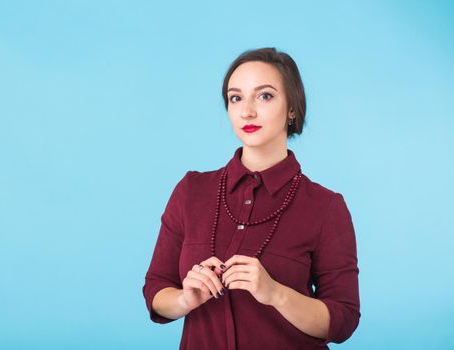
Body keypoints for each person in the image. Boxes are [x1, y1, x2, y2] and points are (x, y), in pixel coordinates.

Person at [142, 47, 360, 350]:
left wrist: (275, 293)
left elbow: (343, 318)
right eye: (236, 97)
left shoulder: (325, 206)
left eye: (265, 96)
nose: (247, 111)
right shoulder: (191, 191)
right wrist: (184, 299)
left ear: (292, 109)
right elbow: (156, 288)